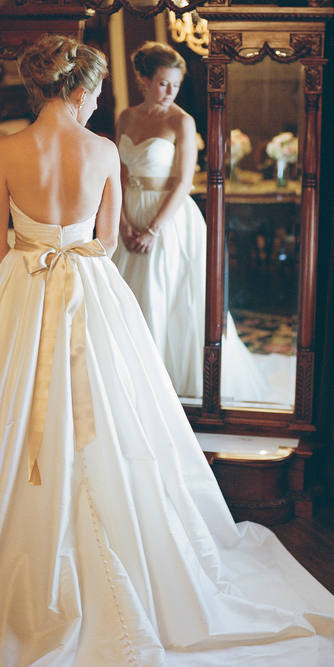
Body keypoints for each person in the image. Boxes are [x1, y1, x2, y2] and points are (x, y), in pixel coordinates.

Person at [0, 35, 334, 667]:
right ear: (76, 88)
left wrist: (31, 284)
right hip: (92, 289)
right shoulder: (102, 150)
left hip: (22, 287)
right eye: (97, 90)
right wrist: (72, 264)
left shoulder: (4, 149)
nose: (99, 101)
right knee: (111, 406)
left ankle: (11, 535)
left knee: (7, 410)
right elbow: (104, 241)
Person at [112, 42, 270, 403]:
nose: (169, 92)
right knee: (128, 298)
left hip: (168, 219)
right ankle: (131, 384)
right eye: (163, 83)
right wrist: (122, 223)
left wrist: (153, 229)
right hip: (128, 213)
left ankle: (168, 385)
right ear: (144, 79)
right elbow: (117, 176)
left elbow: (184, 181)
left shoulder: (182, 121)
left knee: (165, 296)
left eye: (176, 85)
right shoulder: (125, 117)